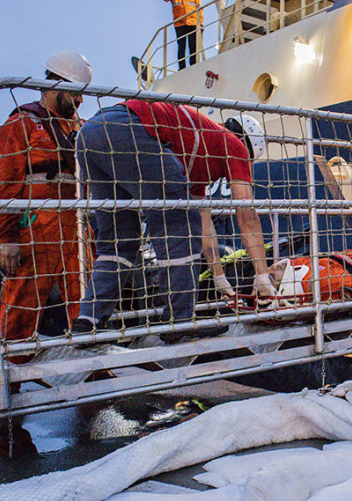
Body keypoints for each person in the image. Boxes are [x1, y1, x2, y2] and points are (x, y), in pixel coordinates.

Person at [72, 100, 276, 343]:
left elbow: (204, 225)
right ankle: (179, 320)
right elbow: (247, 215)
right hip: (132, 127)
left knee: (119, 240)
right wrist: (262, 275)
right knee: (180, 225)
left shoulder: (198, 151)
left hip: (91, 132)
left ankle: (88, 319)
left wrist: (220, 277)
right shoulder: (234, 145)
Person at [0, 51, 93, 366]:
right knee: (22, 301)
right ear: (56, 85)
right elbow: (5, 183)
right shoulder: (21, 124)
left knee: (88, 299)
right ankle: (10, 373)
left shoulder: (81, 128)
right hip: (36, 226)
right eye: (76, 93)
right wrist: (8, 238)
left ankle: (94, 367)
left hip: (77, 225)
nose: (80, 101)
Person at [165, 0, 202, 69]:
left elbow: (199, 8)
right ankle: (182, 68)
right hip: (179, 23)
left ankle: (193, 65)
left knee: (193, 46)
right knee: (181, 47)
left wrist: (201, 23)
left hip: (193, 22)